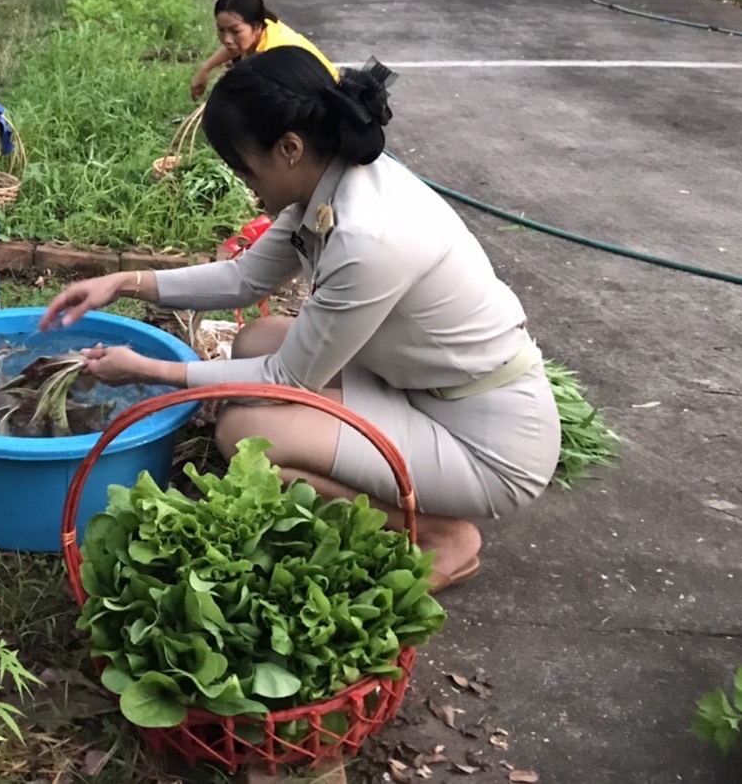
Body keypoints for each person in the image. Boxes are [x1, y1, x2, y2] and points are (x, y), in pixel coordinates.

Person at [44, 49, 560, 591]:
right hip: (420, 387)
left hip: (486, 443)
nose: (244, 183)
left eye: (245, 167)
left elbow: (284, 382)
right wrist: (125, 282)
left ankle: (444, 533)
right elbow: (245, 279)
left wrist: (150, 371)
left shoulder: (370, 238)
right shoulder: (330, 178)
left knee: (247, 431)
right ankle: (404, 487)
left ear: (289, 148)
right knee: (256, 338)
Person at [190, 0, 339, 100]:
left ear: (256, 27)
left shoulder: (272, 53)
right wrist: (205, 69)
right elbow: (234, 46)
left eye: (235, 31)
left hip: (328, 99)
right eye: (221, 30)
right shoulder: (263, 28)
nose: (227, 39)